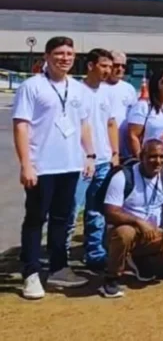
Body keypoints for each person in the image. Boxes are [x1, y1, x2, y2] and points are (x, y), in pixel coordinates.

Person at [13, 36, 96, 298]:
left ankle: (59, 268)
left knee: (62, 218)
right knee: (36, 219)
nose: (65, 58)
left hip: (69, 165)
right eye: (59, 53)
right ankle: (31, 273)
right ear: (47, 56)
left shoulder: (78, 89)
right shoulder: (32, 86)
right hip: (42, 166)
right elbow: (21, 125)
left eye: (69, 54)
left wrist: (90, 154)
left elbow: (83, 124)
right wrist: (26, 164)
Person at [100, 139, 163, 298]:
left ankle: (143, 265)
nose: (158, 161)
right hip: (123, 232)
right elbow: (110, 212)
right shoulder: (123, 177)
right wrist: (138, 222)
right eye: (152, 156)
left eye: (161, 157)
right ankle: (112, 278)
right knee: (125, 233)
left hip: (153, 233)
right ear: (141, 156)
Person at [73, 49, 122, 271]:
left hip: (103, 160)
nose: (108, 71)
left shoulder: (107, 93)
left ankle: (95, 254)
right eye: (104, 66)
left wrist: (115, 153)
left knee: (97, 211)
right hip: (81, 162)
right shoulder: (76, 91)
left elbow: (111, 124)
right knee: (72, 210)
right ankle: (59, 258)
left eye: (110, 66)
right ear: (91, 66)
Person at [127, 69, 163, 167]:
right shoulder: (144, 106)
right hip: (152, 155)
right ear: (156, 84)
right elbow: (133, 135)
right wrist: (140, 158)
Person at [105, 51, 138, 159]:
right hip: (104, 148)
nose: (120, 69)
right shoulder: (99, 87)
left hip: (125, 149)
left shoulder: (129, 89)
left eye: (123, 66)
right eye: (116, 65)